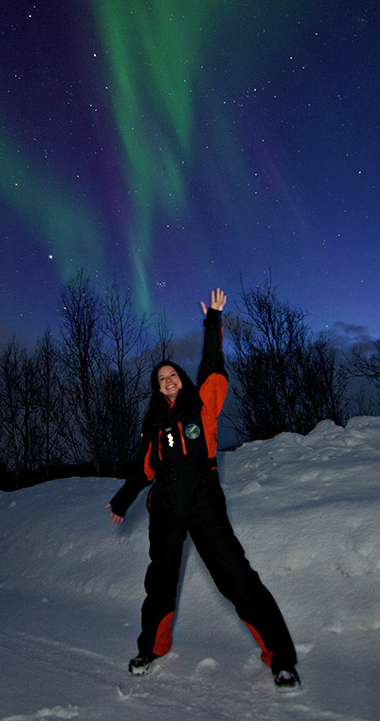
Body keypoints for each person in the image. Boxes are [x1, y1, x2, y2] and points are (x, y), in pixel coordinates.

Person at [106, 288, 301, 691]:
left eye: (173, 375)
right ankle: (152, 649)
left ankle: (281, 659)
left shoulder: (204, 407)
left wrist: (212, 320)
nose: (168, 382)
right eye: (161, 380)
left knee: (238, 579)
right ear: (157, 389)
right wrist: (124, 499)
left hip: (204, 505)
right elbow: (143, 469)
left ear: (182, 379)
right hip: (166, 511)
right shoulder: (156, 426)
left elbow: (213, 364)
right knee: (158, 583)